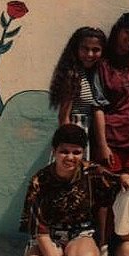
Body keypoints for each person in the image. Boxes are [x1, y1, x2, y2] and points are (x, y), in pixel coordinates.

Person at [20, 124, 119, 256]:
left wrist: (126, 178)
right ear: (54, 152)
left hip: (79, 234)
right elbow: (40, 232)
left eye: (76, 152)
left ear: (83, 153)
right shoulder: (39, 181)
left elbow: (115, 181)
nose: (70, 157)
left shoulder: (91, 172)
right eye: (64, 151)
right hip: (48, 238)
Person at [93, 13, 129, 178]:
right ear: (117, 31)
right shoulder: (103, 64)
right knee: (110, 188)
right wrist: (102, 145)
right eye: (128, 32)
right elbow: (97, 106)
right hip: (112, 142)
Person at [49, 26, 106, 159]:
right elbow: (63, 117)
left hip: (87, 131)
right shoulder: (73, 76)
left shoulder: (92, 74)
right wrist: (70, 146)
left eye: (95, 50)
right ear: (76, 49)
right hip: (75, 131)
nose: (90, 54)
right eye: (85, 49)